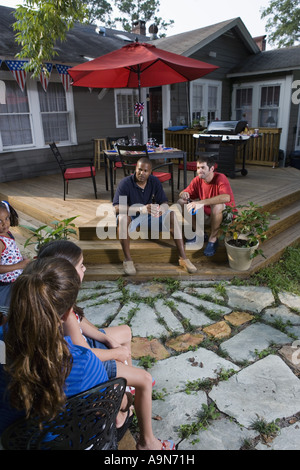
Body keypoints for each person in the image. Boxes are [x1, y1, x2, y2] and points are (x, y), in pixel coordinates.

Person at [38, 240, 175, 450]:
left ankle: (124, 406)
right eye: (81, 265)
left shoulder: (52, 293)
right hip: (82, 359)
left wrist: (106, 339)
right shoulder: (62, 316)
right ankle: (145, 439)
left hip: (78, 354)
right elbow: (83, 354)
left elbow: (78, 320)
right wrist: (114, 354)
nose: (85, 269)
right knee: (144, 379)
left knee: (124, 332)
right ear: (65, 271)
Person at [113, 157, 197, 275]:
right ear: (135, 169)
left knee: (171, 214)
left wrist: (162, 210)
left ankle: (183, 258)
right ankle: (127, 260)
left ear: (150, 172)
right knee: (122, 218)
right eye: (139, 170)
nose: (142, 173)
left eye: (145, 171)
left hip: (147, 216)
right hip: (131, 216)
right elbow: (117, 207)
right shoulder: (125, 183)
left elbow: (164, 202)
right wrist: (141, 209)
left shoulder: (154, 181)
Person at [178, 155, 236, 257]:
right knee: (181, 202)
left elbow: (226, 198)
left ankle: (213, 239)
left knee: (217, 205)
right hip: (207, 213)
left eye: (203, 168)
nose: (200, 170)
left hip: (225, 214)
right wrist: (183, 194)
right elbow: (184, 192)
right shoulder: (197, 180)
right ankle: (200, 234)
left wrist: (200, 203)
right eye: (198, 168)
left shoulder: (220, 178)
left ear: (212, 169)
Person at [0, 200, 31, 307]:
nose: (5, 223)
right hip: (6, 284)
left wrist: (20, 259)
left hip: (15, 279)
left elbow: (8, 255)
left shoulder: (7, 233)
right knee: (7, 310)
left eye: (6, 218)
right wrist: (20, 265)